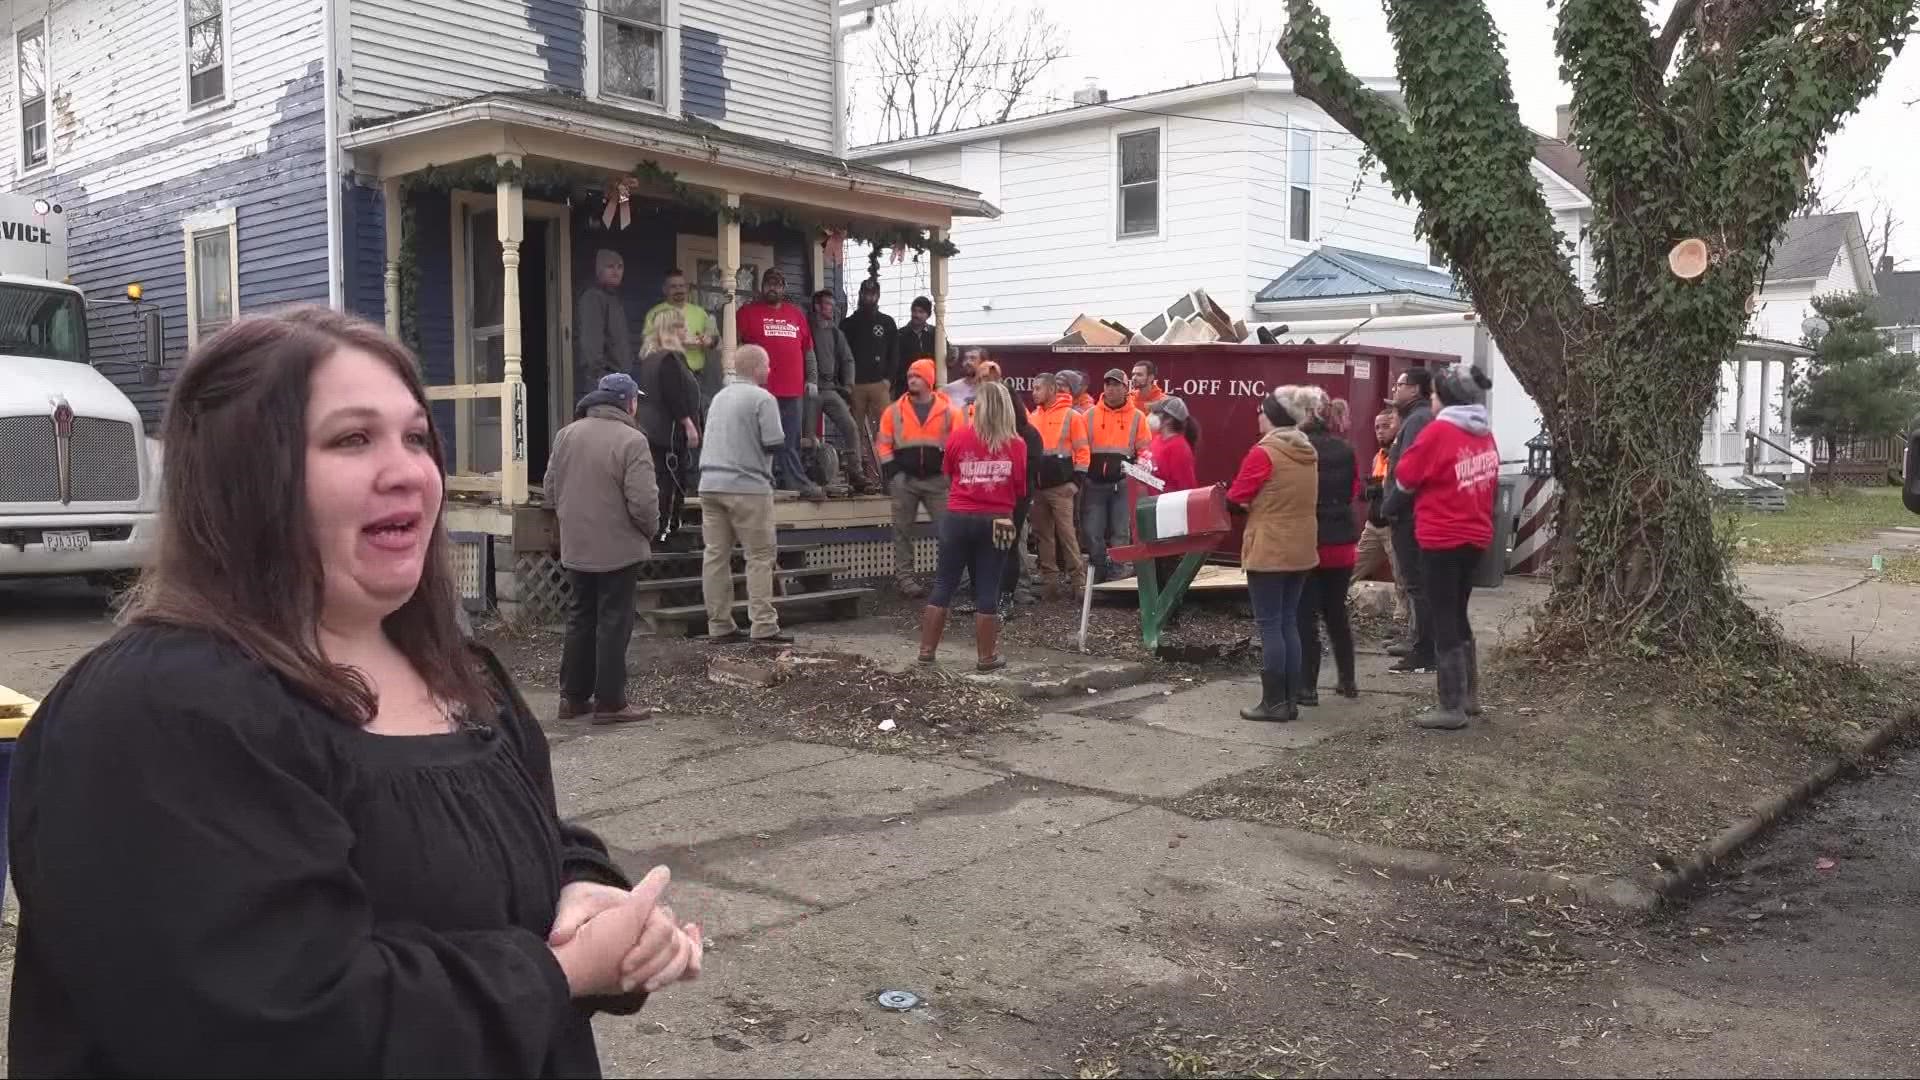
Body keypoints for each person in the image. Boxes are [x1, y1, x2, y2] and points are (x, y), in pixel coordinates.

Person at [6, 308, 702, 1077]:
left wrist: (590, 895)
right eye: (351, 439)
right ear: (245, 477)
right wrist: (561, 975)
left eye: (415, 438)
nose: (408, 469)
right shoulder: (155, 715)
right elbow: (284, 1023)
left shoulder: (462, 674)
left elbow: (524, 839)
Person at [1386, 364, 1499, 730]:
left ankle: (1450, 706)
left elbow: (1406, 477)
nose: (1431, 401)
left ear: (1444, 398)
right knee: (1458, 611)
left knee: (1443, 615)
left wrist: (1388, 507)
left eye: (1433, 394)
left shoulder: (1439, 432)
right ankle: (1469, 697)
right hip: (1476, 536)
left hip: (1440, 537)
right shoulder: (1484, 435)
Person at [547, 372, 660, 723]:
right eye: (636, 400)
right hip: (618, 547)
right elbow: (643, 502)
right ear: (628, 402)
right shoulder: (633, 440)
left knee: (580, 617)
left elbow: (550, 489)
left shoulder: (566, 434)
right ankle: (610, 702)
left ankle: (573, 698)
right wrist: (650, 531)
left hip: (576, 544)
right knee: (614, 621)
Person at [917, 381, 1028, 671]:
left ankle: (927, 651)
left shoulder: (958, 436)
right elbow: (1019, 487)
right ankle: (986, 657)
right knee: (988, 587)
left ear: (976, 407)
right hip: (998, 520)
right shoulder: (1017, 444)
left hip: (957, 516)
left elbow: (948, 473)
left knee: (944, 583)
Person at [1225, 387, 1320, 722]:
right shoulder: (1308, 451)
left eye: (1262, 411)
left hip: (1269, 546)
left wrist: (1240, 502)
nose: (1258, 416)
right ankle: (1290, 700)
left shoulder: (1263, 453)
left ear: (1274, 417)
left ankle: (1274, 703)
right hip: (1302, 546)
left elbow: (1236, 497)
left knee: (1269, 625)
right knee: (1288, 621)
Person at [699, 344, 794, 644]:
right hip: (747, 486)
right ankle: (763, 626)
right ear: (756, 369)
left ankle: (719, 625)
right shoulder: (762, 398)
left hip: (710, 484)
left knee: (715, 556)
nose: (770, 370)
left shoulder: (719, 397)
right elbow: (774, 442)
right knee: (760, 556)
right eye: (767, 365)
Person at [1290, 385, 1361, 705]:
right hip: (1343, 542)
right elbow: (1354, 491)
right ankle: (1348, 680)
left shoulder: (1298, 447)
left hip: (1310, 540)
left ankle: (1307, 687)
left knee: (1305, 615)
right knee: (1336, 613)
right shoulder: (1347, 450)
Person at [736, 267, 824, 502]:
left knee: (791, 440)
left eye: (777, 283)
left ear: (783, 288)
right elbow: (733, 345)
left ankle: (793, 480)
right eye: (769, 283)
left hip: (792, 390)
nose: (772, 287)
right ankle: (760, 481)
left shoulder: (796, 315)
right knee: (760, 438)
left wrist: (812, 379)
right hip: (760, 391)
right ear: (762, 286)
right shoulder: (746, 313)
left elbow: (808, 351)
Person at [876, 358, 958, 597]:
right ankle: (905, 580)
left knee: (948, 531)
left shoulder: (949, 412)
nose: (912, 379)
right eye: (910, 375)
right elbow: (883, 444)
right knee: (901, 531)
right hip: (905, 480)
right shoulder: (893, 411)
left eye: (918, 376)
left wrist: (950, 474)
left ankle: (947, 579)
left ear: (929, 380)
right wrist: (894, 473)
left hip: (938, 480)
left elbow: (958, 444)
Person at [633, 309, 703, 547]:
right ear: (671, 330)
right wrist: (689, 424)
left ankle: (662, 530)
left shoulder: (651, 358)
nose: (686, 332)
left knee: (661, 480)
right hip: (669, 431)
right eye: (682, 327)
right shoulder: (669, 359)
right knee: (671, 481)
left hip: (653, 428)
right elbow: (674, 396)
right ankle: (667, 532)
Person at [1385, 366, 1437, 673]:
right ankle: (1417, 639)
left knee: (1417, 583)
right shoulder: (1417, 418)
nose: (1395, 389)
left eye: (1400, 385)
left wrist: (1390, 504)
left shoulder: (1418, 420)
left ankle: (1424, 650)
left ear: (1416, 389)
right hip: (1410, 512)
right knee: (1414, 582)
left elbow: (1410, 471)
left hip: (1410, 515)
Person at [1083, 368, 1150, 583]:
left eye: (1115, 385)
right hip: (1094, 484)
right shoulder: (1090, 415)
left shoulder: (1138, 417)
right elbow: (1080, 449)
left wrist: (1140, 467)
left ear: (1125, 388)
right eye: (1107, 384)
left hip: (1122, 484)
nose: (1110, 389)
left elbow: (1145, 450)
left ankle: (1119, 574)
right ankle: (1099, 572)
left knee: (1120, 532)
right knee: (1093, 532)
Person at [1027, 372, 1090, 599]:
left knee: (1067, 535)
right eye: (1033, 388)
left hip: (1061, 488)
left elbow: (1083, 452)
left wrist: (1076, 483)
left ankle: (1078, 583)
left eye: (1037, 388)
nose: (1033, 392)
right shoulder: (1033, 417)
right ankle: (1050, 584)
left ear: (1052, 389)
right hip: (1038, 488)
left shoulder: (1072, 416)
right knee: (1043, 535)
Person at [806, 288, 874, 494]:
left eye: (833, 305)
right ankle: (808, 475)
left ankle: (856, 473)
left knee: (851, 427)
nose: (832, 309)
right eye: (827, 304)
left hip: (831, 389)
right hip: (809, 389)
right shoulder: (806, 328)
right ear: (817, 306)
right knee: (808, 436)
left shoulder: (836, 333)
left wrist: (849, 384)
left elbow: (847, 359)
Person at [1354, 408, 1411, 634]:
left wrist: (1380, 490)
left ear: (1398, 426)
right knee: (1353, 565)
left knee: (1401, 576)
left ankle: (1402, 623)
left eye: (1385, 426)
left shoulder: (1402, 453)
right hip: (1374, 524)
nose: (1380, 431)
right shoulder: (1380, 456)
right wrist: (1368, 490)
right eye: (1377, 427)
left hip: (1392, 524)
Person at [1143, 396, 1201, 597]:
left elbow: (1187, 488)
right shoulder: (1157, 440)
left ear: (1167, 419)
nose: (1150, 417)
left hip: (1167, 516)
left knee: (1167, 566)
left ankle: (1169, 611)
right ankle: (1154, 607)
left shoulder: (1179, 448)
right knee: (1154, 565)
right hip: (1151, 512)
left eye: (1155, 413)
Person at [841, 278, 898, 474]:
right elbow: (842, 355)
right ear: (860, 294)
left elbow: (894, 354)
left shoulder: (887, 323)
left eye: (873, 294)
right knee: (854, 431)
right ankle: (858, 472)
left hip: (879, 385)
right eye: (866, 293)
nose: (869, 297)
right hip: (855, 385)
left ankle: (888, 473)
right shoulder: (848, 324)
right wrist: (846, 383)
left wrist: (888, 380)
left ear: (878, 296)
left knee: (884, 430)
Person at [644, 268, 722, 405]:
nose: (679, 290)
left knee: (696, 415)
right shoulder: (655, 313)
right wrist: (676, 342)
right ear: (665, 289)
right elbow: (649, 346)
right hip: (668, 376)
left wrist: (708, 340)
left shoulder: (699, 312)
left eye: (681, 286)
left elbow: (715, 340)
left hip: (697, 376)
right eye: (673, 287)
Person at [577, 249, 633, 387]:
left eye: (620, 267)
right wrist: (600, 375)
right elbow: (591, 340)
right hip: (604, 379)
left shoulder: (614, 299)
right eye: (610, 267)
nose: (616, 271)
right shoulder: (593, 297)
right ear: (599, 270)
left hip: (620, 377)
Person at [895, 296, 937, 396]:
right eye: (914, 311)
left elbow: (946, 353)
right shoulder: (900, 334)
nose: (916, 315)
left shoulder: (935, 333)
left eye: (921, 312)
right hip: (906, 387)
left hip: (929, 386)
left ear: (928, 315)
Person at [945, 345, 987, 409]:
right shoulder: (950, 389)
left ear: (983, 363)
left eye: (973, 358)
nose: (968, 362)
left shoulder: (989, 389)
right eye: (965, 358)